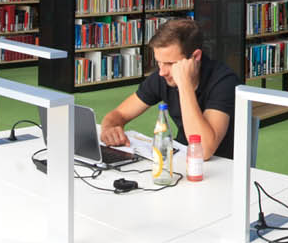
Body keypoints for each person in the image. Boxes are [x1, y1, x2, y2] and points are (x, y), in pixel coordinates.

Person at [97, 17, 239, 161]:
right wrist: (109, 128)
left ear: (195, 57)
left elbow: (204, 150)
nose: (162, 72)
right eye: (159, 62)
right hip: (182, 157)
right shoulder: (163, 76)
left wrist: (184, 84)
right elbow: (119, 113)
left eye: (170, 63)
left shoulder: (224, 81)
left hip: (221, 167)